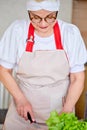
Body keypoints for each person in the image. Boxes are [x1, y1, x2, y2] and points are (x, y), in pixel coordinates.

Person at [0, 0, 87, 130]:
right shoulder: (17, 31)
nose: (43, 23)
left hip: (60, 112)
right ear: (29, 12)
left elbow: (77, 77)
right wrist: (20, 100)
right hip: (21, 114)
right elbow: (4, 71)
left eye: (50, 17)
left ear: (57, 12)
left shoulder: (70, 33)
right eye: (35, 17)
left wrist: (68, 109)